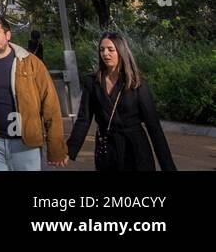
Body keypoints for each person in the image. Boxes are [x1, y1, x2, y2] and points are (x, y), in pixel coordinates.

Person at [0, 12, 67, 170]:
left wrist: (56, 148)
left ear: (7, 35)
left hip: (25, 144)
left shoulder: (31, 63)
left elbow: (51, 107)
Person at [67, 32, 176, 171]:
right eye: (102, 49)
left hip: (136, 151)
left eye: (110, 49)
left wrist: (168, 167)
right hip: (107, 151)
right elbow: (83, 119)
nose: (105, 53)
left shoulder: (137, 83)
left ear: (121, 51)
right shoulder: (92, 82)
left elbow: (154, 128)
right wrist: (69, 149)